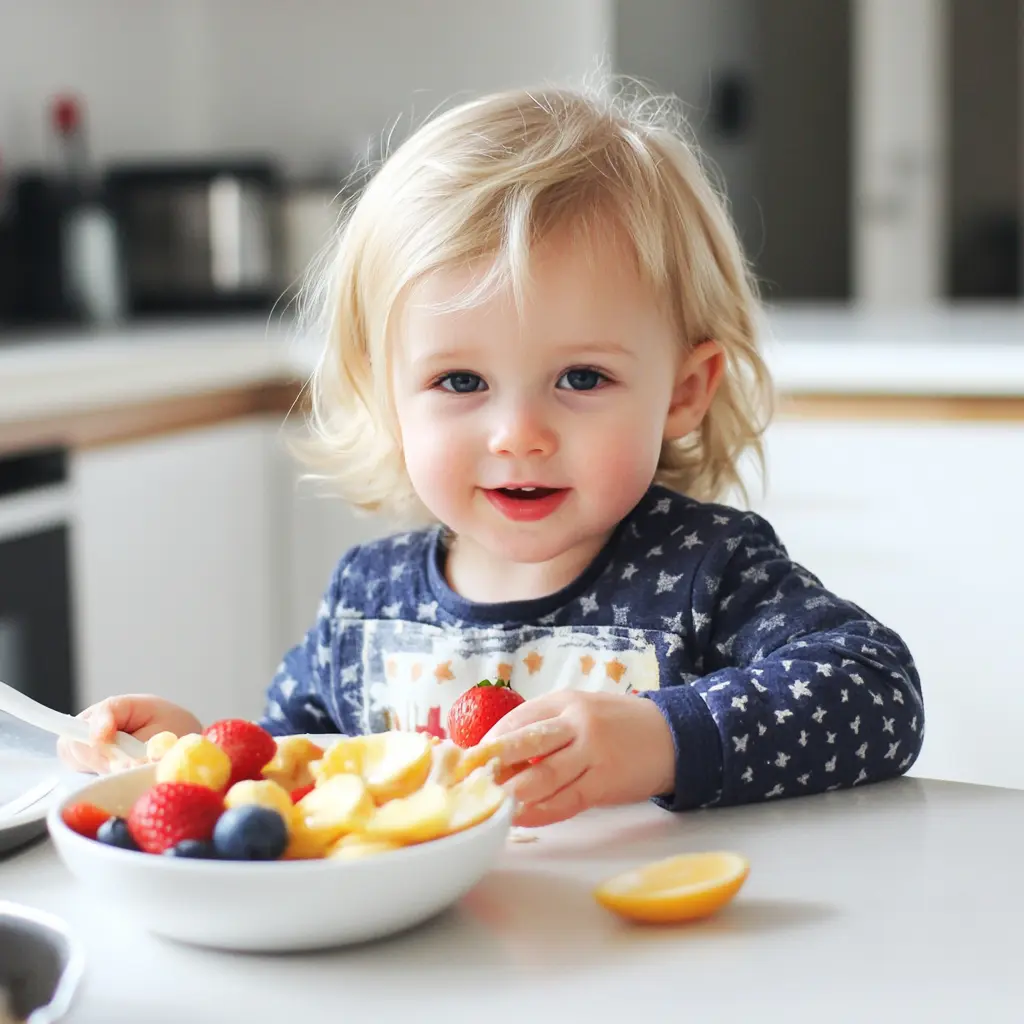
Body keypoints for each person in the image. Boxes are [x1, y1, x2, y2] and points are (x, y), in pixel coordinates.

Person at [60, 81, 924, 828]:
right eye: (461, 381)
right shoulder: (366, 603)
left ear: (685, 391)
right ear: (386, 397)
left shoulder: (706, 572)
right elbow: (297, 784)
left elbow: (878, 693)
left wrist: (663, 738)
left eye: (581, 377)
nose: (518, 433)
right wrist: (191, 756)